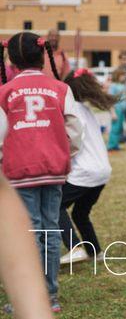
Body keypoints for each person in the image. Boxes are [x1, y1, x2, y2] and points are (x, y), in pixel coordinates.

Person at [0, 32, 83, 313]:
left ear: (11, 58)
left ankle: (30, 298)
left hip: (20, 170)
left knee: (29, 232)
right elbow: (74, 128)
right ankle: (50, 296)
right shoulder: (59, 88)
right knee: (50, 230)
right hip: (54, 170)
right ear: (42, 54)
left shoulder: (5, 91)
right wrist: (64, 153)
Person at [59, 69, 116, 265]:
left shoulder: (71, 110)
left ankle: (75, 247)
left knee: (56, 205)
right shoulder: (86, 110)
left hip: (84, 172)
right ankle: (96, 252)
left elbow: (73, 142)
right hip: (102, 172)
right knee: (80, 213)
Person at [0, 174, 54, 319]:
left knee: (38, 229)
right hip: (54, 173)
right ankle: (51, 293)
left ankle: (49, 293)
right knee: (50, 228)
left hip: (25, 176)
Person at [107, 68, 126, 151]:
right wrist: (112, 112)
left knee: (120, 128)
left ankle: (116, 145)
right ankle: (111, 146)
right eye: (122, 75)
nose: (124, 77)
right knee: (115, 128)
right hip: (116, 109)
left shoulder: (123, 85)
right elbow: (110, 99)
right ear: (118, 76)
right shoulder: (113, 86)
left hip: (122, 109)